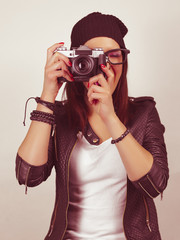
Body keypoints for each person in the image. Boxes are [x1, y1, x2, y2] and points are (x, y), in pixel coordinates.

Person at [15, 12, 169, 240]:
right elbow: (28, 176)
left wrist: (111, 118)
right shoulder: (61, 117)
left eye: (113, 55)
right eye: (93, 57)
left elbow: (155, 185)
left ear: (123, 61)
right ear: (74, 61)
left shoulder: (143, 113)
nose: (103, 66)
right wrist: (48, 94)